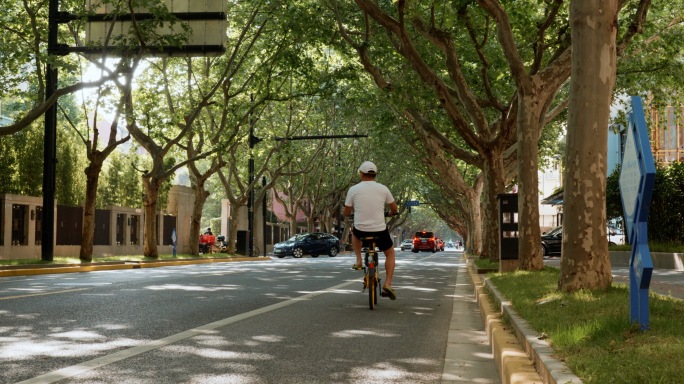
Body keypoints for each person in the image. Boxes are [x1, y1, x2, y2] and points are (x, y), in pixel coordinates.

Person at [343, 161, 399, 300]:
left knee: (354, 233)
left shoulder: (353, 189)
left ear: (361, 173)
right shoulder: (383, 188)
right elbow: (394, 209)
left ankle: (358, 260)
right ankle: (388, 284)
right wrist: (391, 213)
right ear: (375, 174)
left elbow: (346, 211)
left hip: (361, 230)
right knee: (390, 254)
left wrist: (349, 212)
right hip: (380, 230)